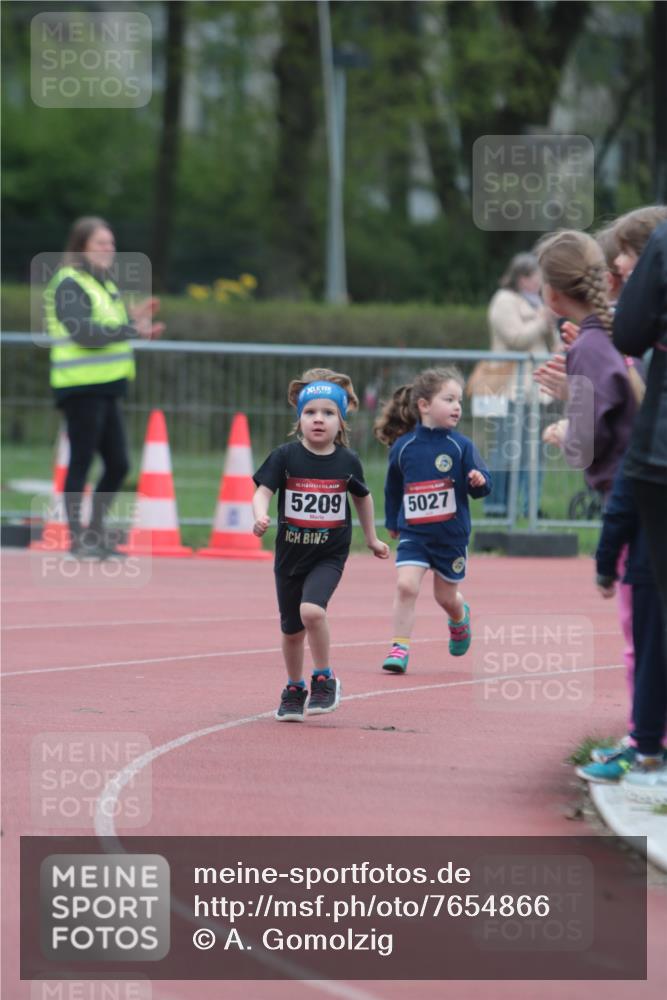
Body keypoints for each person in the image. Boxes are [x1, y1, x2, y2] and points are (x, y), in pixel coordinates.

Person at [252, 368, 389, 722]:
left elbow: (363, 497)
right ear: (299, 419)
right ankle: (294, 687)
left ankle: (324, 678)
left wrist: (371, 538)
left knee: (311, 611)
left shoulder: (347, 461)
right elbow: (263, 490)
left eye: (328, 413)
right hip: (290, 555)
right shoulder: (284, 456)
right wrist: (260, 514)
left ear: (341, 422)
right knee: (292, 630)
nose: (319, 419)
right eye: (311, 412)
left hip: (329, 554)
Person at [45, 216, 164, 558]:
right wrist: (131, 330)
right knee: (81, 462)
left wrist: (135, 323)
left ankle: (94, 534)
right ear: (81, 247)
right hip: (81, 387)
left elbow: (109, 327)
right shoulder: (69, 283)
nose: (108, 249)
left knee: (118, 464)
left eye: (111, 244)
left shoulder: (102, 283)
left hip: (106, 386)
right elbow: (84, 333)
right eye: (100, 243)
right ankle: (77, 539)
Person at [374, 367, 491, 674]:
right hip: (415, 534)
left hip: (451, 536)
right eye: (449, 399)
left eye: (460, 401)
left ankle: (458, 618)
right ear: (424, 405)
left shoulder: (461, 446)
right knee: (405, 585)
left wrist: (479, 481)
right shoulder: (403, 448)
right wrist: (392, 520)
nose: (457, 407)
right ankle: (399, 646)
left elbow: (483, 485)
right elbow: (393, 487)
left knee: (445, 596)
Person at [611, 219, 667, 802]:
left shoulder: (663, 242)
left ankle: (648, 739)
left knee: (651, 601)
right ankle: (645, 737)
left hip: (658, 460)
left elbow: (630, 334)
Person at [575, 462, 666, 789]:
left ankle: (647, 750)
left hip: (653, 562)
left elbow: (624, 501)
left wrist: (605, 562)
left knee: (649, 656)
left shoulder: (652, 429)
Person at [482, 253, 556, 517]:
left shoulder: (538, 304)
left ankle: (530, 509)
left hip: (533, 393)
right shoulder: (503, 300)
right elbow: (515, 338)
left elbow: (551, 346)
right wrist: (541, 320)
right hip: (505, 390)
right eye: (537, 276)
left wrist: (551, 327)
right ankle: (497, 509)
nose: (540, 282)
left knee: (533, 454)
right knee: (503, 451)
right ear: (522, 278)